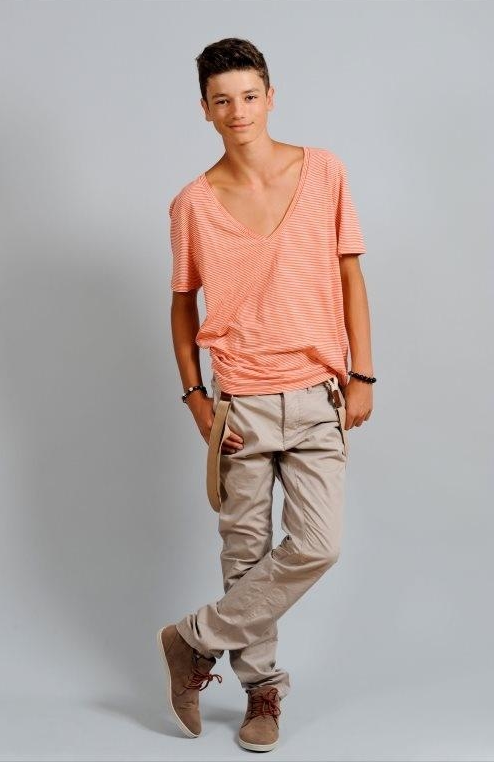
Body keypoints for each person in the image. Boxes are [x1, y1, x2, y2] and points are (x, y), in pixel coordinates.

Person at [157, 36, 375, 753]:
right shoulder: (192, 203)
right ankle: (261, 692)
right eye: (223, 100)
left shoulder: (324, 172)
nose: (238, 111)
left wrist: (362, 374)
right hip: (238, 406)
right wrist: (196, 399)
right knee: (245, 555)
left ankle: (193, 639)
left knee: (319, 544)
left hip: (316, 396)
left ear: (270, 97)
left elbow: (349, 275)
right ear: (205, 109)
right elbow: (182, 303)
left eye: (250, 95)